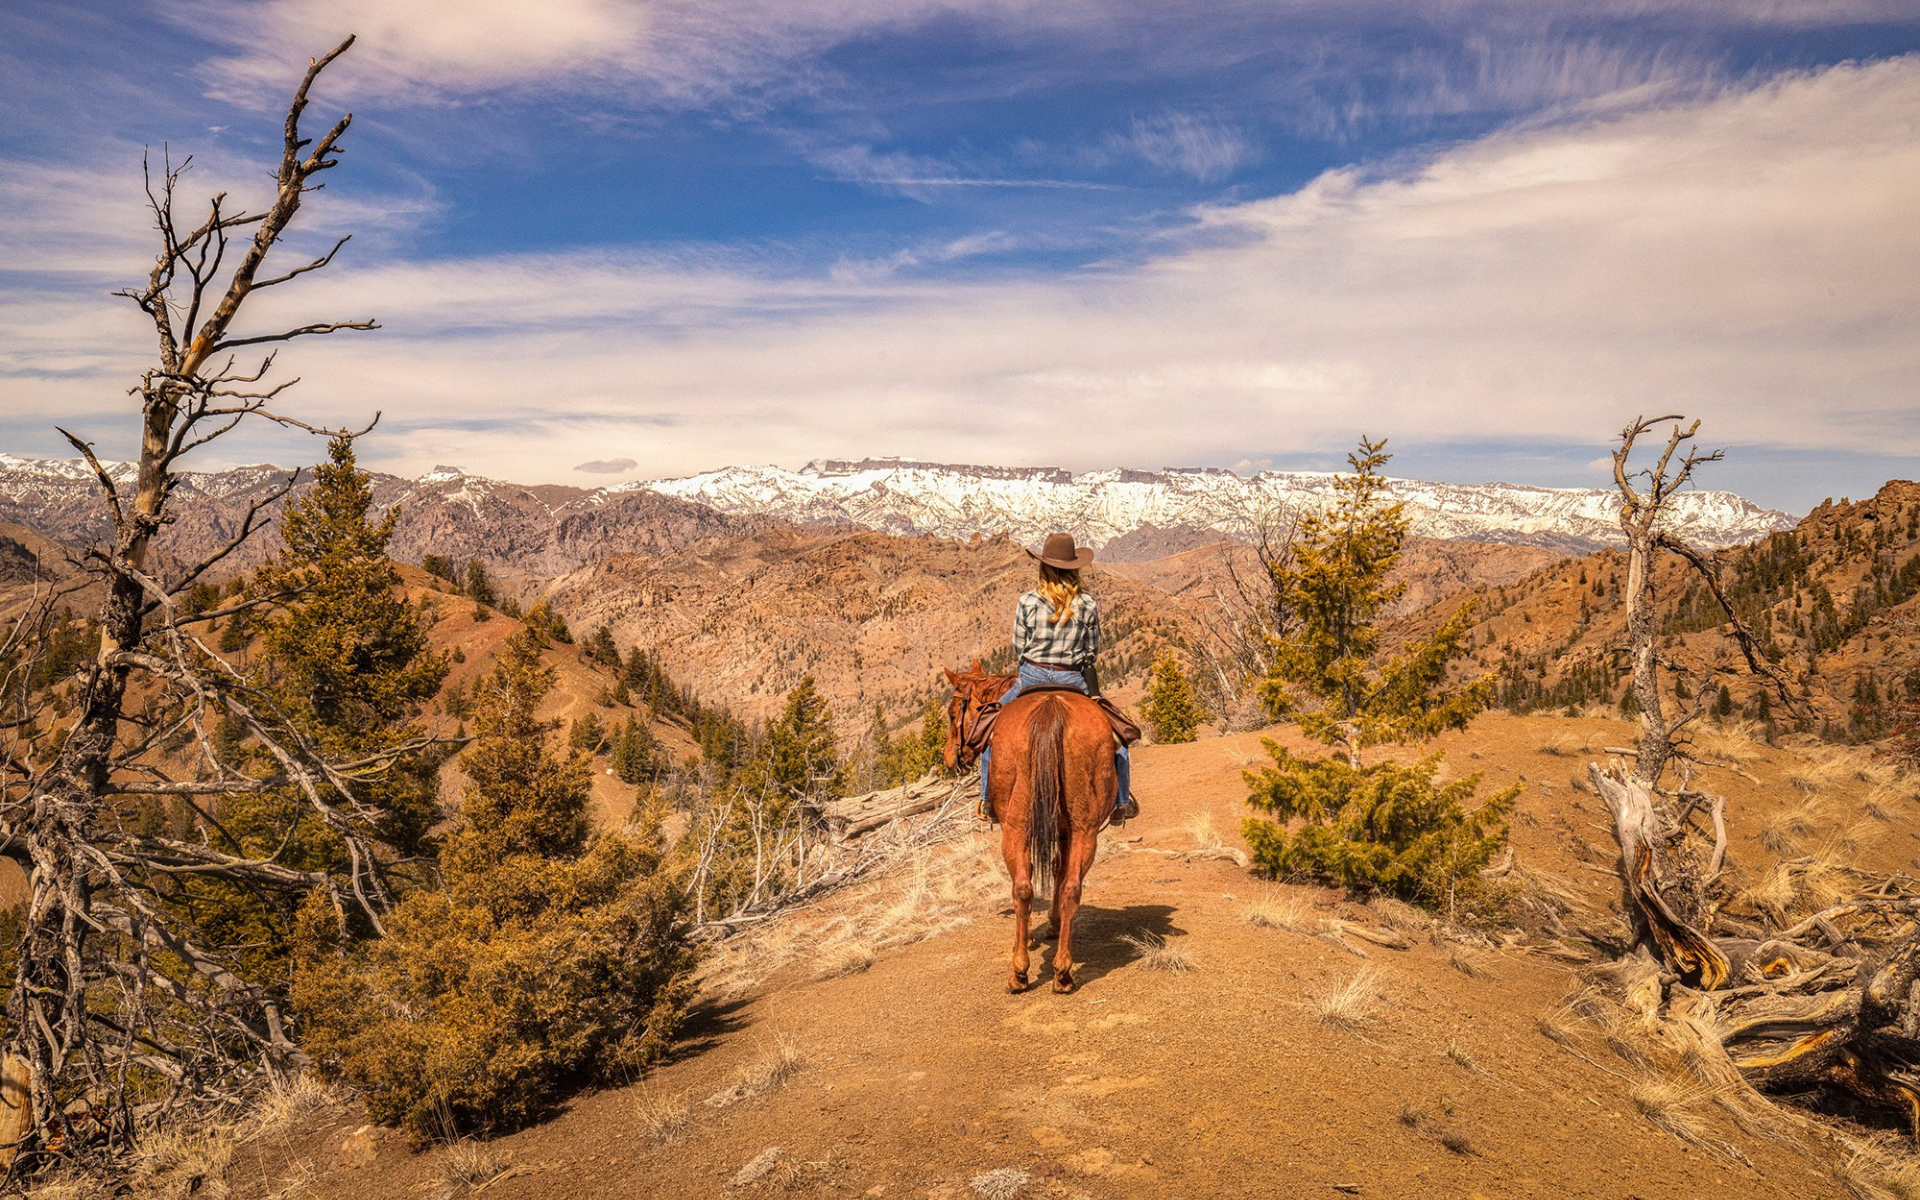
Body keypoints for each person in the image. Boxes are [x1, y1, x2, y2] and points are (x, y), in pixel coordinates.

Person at [978, 532, 1138, 827]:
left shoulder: (1026, 601)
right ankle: (1121, 801)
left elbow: (1019, 647)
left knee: (989, 730)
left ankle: (988, 799)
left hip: (1031, 677)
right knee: (1118, 738)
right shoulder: (1087, 603)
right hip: (1072, 680)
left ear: (1043, 567)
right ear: (1074, 568)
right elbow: (1093, 650)